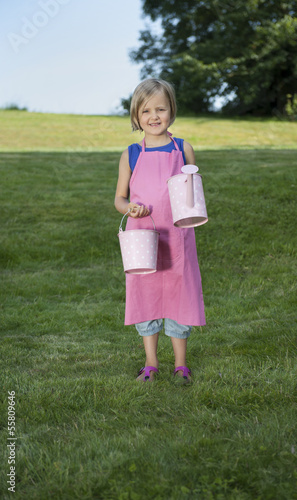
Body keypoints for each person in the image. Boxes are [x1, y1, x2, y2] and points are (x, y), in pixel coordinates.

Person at [115, 78, 205, 382]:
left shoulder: (183, 148)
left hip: (178, 237)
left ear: (171, 111)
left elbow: (194, 193)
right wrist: (130, 208)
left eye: (160, 109)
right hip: (143, 236)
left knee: (181, 296)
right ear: (136, 116)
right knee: (147, 296)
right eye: (146, 111)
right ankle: (151, 364)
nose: (154, 116)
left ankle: (181, 365)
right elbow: (119, 198)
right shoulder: (131, 154)